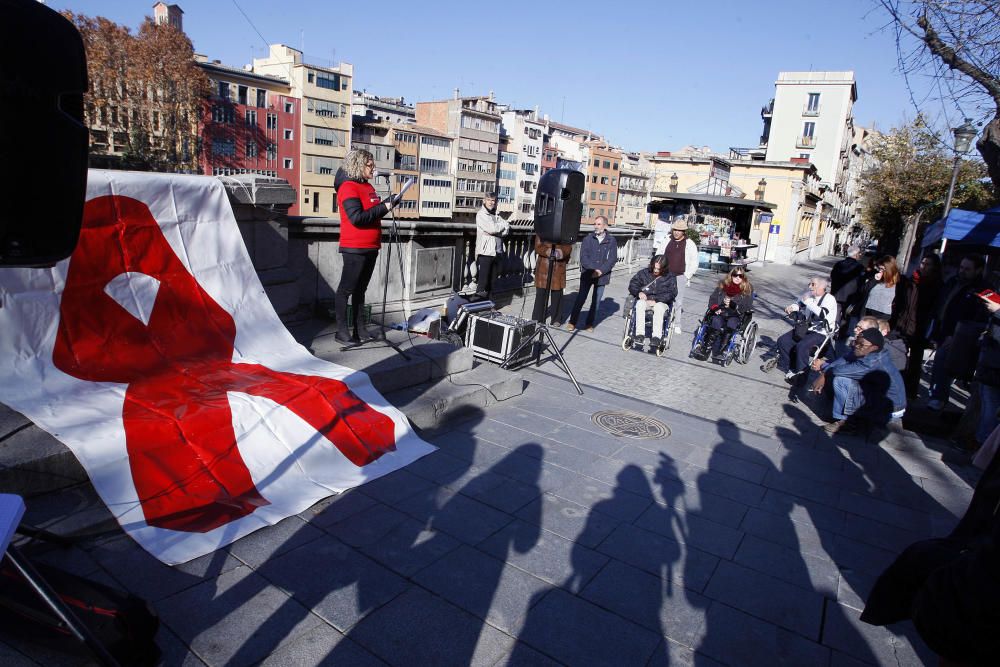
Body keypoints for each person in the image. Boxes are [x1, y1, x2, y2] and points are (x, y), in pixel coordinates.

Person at [333, 149, 398, 344]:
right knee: (347, 289)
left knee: (361, 289)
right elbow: (357, 218)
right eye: (370, 165)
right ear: (359, 165)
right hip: (355, 247)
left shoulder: (368, 187)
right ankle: (342, 331)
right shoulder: (347, 187)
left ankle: (360, 330)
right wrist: (385, 207)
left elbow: (373, 212)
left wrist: (388, 204)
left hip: (371, 246)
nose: (374, 168)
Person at [810, 328, 907, 435]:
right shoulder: (865, 350)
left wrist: (824, 371)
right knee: (837, 376)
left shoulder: (872, 362)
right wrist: (825, 373)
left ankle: (847, 423)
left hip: (890, 407)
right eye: (856, 341)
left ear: (874, 347)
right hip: (878, 395)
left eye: (861, 344)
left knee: (841, 380)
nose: (856, 345)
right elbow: (844, 359)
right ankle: (846, 413)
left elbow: (839, 371)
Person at [927, 254, 990, 411]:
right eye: (961, 267)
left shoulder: (982, 290)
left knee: (944, 363)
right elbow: (942, 304)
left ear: (978, 270)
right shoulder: (953, 281)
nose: (962, 271)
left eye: (967, 269)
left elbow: (978, 316)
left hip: (962, 334)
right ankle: (936, 396)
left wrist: (958, 335)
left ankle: (938, 398)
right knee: (940, 363)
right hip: (943, 329)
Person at [774, 276, 838, 383]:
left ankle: (801, 374)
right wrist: (792, 307)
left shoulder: (829, 299)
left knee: (802, 346)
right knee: (783, 341)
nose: (810, 286)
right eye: (809, 283)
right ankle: (791, 367)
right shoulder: (809, 295)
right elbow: (798, 304)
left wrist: (808, 302)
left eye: (813, 284)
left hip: (821, 332)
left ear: (822, 286)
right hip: (806, 328)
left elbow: (822, 314)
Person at [902, 254, 943, 398]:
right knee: (901, 356)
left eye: (928, 264)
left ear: (935, 267)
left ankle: (910, 390)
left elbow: (936, 309)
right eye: (923, 263)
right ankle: (898, 386)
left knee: (915, 360)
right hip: (906, 323)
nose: (924, 266)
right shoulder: (912, 280)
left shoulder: (937, 285)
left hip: (922, 327)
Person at [567, 216, 617, 332]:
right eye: (595, 224)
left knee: (596, 302)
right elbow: (584, 257)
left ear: (605, 226)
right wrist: (593, 270)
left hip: (602, 276)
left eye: (599, 224)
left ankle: (589, 324)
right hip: (587, 274)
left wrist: (600, 271)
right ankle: (572, 322)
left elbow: (612, 259)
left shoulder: (611, 240)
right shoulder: (588, 239)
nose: (596, 226)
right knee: (581, 298)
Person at [696, 267, 753, 359]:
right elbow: (713, 299)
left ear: (743, 277)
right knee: (716, 321)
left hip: (736, 314)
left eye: (740, 276)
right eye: (735, 275)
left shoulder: (747, 289)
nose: (737, 278)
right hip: (721, 312)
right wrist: (715, 308)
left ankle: (722, 350)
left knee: (731, 323)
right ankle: (706, 349)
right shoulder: (722, 285)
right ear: (731, 275)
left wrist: (734, 305)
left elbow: (747, 306)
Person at [656, 218, 698, 334]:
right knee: (660, 297)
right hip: (664, 274)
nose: (676, 232)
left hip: (680, 276)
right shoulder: (666, 240)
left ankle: (677, 323)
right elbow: (659, 254)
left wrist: (687, 276)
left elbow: (694, 261)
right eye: (675, 230)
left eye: (679, 230)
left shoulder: (689, 243)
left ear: (683, 231)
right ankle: (660, 320)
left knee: (678, 301)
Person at [628, 254, 677, 350]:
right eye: (654, 268)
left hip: (662, 302)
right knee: (639, 303)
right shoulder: (643, 273)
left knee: (659, 307)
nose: (655, 270)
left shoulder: (670, 277)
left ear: (664, 268)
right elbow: (633, 284)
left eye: (658, 269)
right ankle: (639, 335)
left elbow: (672, 293)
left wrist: (656, 300)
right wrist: (639, 293)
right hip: (646, 300)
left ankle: (656, 337)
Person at [531, 234, 573, 326]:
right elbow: (538, 247)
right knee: (541, 294)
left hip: (558, 266)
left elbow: (568, 247)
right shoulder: (542, 229)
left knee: (557, 294)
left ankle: (556, 318)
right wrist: (547, 251)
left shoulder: (565, 230)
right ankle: (538, 317)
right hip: (543, 266)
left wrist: (561, 253)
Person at [474, 192, 509, 299]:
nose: (491, 202)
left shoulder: (497, 214)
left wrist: (498, 229)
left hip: (497, 251)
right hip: (486, 252)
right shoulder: (481, 214)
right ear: (484, 201)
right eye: (489, 200)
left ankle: (490, 305)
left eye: (493, 200)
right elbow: (492, 229)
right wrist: (499, 228)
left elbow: (507, 228)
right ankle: (479, 306)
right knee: (483, 282)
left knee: (492, 282)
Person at [829, 245, 865, 330]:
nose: (860, 255)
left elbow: (832, 276)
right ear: (856, 255)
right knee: (846, 315)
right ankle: (842, 331)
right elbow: (861, 282)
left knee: (836, 313)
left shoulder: (838, 264)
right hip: (850, 295)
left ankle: (833, 330)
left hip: (836, 293)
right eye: (859, 253)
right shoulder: (859, 267)